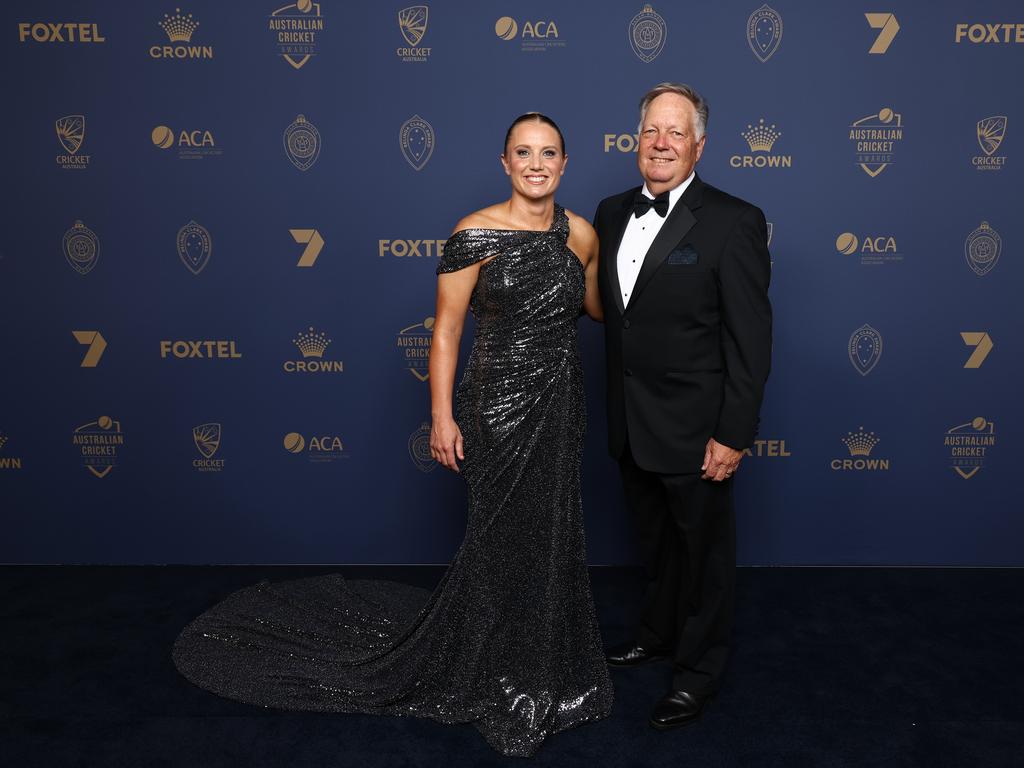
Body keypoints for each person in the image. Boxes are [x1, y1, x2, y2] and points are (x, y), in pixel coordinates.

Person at [172, 113, 611, 757]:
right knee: (502, 540)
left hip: (560, 404)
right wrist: (441, 416)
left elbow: (597, 308)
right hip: (496, 406)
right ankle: (499, 676)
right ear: (505, 162)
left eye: (549, 153)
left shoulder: (582, 234)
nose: (536, 164)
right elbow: (446, 333)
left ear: (566, 164)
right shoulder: (474, 233)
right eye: (524, 152)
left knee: (550, 533)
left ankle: (546, 668)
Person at [592, 83, 772, 730]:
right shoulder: (610, 212)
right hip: (631, 424)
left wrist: (734, 433)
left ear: (700, 144)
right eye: (651, 132)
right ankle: (658, 633)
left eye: (676, 132)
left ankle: (697, 673)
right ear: (635, 140)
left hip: (699, 431)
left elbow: (750, 341)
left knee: (705, 562)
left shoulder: (735, 220)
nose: (662, 143)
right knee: (657, 548)